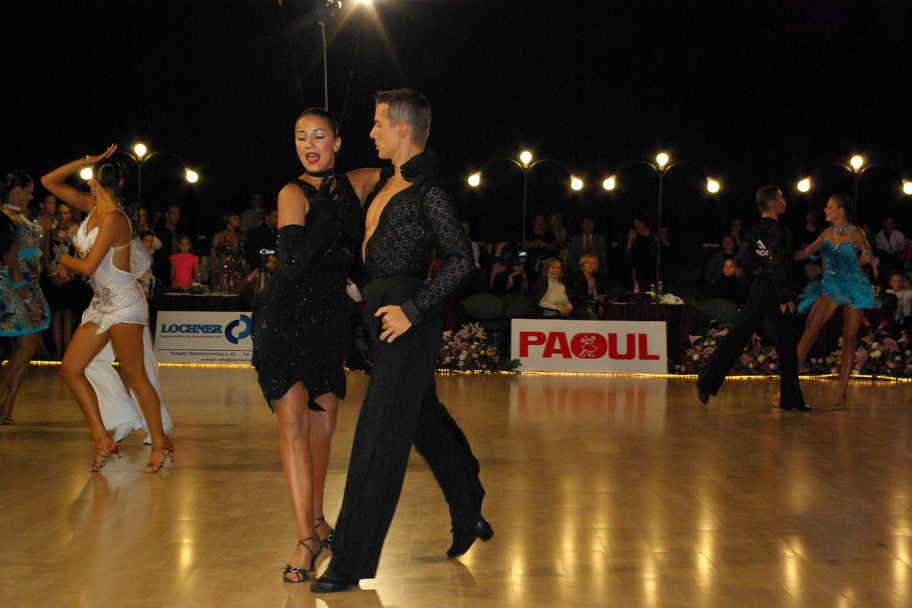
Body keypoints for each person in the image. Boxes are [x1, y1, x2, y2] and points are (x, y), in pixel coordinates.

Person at [312, 89, 491, 594]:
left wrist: (414, 310)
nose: (371, 132)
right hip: (382, 317)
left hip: (408, 321)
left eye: (378, 123)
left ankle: (349, 561)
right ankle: (468, 503)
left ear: (403, 128)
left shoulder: (429, 192)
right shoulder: (387, 183)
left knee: (377, 439)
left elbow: (461, 260)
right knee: (421, 422)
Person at [250, 108, 379, 584]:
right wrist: (322, 215)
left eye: (319, 136)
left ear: (337, 142)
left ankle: (318, 521)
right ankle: (306, 538)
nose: (309, 144)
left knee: (323, 429)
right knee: (293, 423)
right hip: (285, 316)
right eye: (301, 136)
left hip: (329, 320)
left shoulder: (358, 183)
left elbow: (406, 167)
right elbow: (291, 265)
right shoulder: (292, 193)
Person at [41, 146, 173, 472]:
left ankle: (161, 444)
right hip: (101, 304)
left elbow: (87, 267)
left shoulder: (115, 218)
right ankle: (102, 439)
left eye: (91, 176)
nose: (88, 182)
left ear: (95, 183)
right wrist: (87, 160)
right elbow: (48, 181)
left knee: (135, 376)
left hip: (124, 303)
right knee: (71, 368)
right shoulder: (90, 206)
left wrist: (63, 258)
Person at [696, 186, 809, 411]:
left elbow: (742, 261)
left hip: (761, 287)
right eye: (781, 197)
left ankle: (706, 382)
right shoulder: (779, 231)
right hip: (777, 289)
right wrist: (784, 296)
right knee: (787, 344)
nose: (785, 201)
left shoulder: (754, 231)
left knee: (739, 335)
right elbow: (776, 264)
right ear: (773, 203)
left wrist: (759, 274)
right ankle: (791, 400)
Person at [792, 194, 880, 408]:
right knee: (809, 333)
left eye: (830, 206)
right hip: (831, 287)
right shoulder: (827, 233)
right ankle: (787, 388)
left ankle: (842, 394)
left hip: (852, 286)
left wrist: (849, 265)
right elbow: (805, 253)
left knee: (849, 338)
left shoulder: (855, 232)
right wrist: (777, 256)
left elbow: (867, 255)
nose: (825, 210)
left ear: (841, 210)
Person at [0, 171, 51, 425]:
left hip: (27, 286)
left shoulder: (18, 218)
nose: (31, 197)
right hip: (14, 289)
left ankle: (7, 408)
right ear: (17, 191)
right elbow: (12, 265)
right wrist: (28, 299)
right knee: (28, 346)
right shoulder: (8, 221)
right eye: (29, 192)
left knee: (27, 348)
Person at [42, 202, 85, 359]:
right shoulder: (50, 233)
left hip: (70, 278)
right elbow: (46, 257)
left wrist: (69, 275)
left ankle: (66, 350)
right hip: (53, 279)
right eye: (60, 213)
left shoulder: (75, 233)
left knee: (68, 314)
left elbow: (79, 256)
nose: (62, 216)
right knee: (55, 314)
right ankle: (57, 350)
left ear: (70, 215)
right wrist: (53, 275)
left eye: (66, 213)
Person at [209, 211, 246, 293]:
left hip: (239, 271)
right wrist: (212, 276)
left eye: (238, 218)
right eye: (235, 218)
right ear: (228, 220)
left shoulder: (240, 237)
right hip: (224, 271)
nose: (238, 220)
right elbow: (212, 258)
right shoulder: (219, 236)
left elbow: (243, 256)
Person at [568, 253, 608, 319]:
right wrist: (594, 298)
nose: (590, 264)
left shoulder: (599, 279)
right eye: (587, 262)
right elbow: (576, 296)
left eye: (593, 263)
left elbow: (603, 295)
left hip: (595, 310)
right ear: (582, 265)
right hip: (579, 309)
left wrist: (601, 305)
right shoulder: (575, 278)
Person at [153, 205, 180, 289]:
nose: (176, 216)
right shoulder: (159, 231)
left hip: (178, 269)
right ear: (166, 215)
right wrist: (157, 275)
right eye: (173, 213)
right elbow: (157, 255)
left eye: (178, 213)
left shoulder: (180, 232)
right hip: (163, 270)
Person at [626, 216, 656, 287]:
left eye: (637, 222)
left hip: (644, 260)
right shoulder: (633, 231)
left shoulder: (634, 232)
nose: (635, 223)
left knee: (642, 280)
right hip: (641, 260)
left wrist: (628, 255)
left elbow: (629, 247)